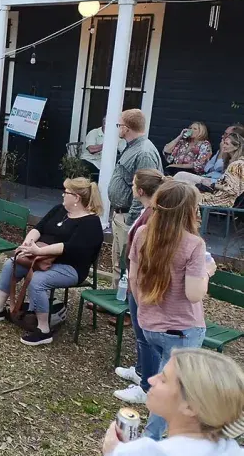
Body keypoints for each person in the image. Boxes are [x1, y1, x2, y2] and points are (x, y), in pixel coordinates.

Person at [0, 177, 104, 346]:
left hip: (70, 267)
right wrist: (27, 245)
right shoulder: (59, 210)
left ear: (76, 198)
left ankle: (44, 330)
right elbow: (38, 228)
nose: (62, 195)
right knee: (11, 264)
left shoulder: (91, 223)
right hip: (41, 258)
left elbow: (68, 247)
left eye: (66, 192)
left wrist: (39, 251)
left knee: (38, 280)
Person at [130, 180, 212, 439]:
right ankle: (150, 441)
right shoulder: (194, 244)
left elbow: (133, 279)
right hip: (182, 330)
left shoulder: (142, 233)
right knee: (172, 390)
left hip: (149, 324)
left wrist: (144, 307)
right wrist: (207, 272)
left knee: (164, 381)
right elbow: (194, 294)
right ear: (189, 210)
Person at [102, 349, 244, 456]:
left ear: (190, 406)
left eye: (163, 380)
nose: (151, 380)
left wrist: (113, 450)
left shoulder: (146, 452)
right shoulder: (232, 450)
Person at [112, 168, 165, 404]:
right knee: (140, 333)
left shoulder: (154, 214)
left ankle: (146, 388)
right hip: (136, 278)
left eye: (134, 184)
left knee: (145, 335)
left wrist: (135, 280)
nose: (131, 187)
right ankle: (141, 370)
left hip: (142, 282)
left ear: (141, 190)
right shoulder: (148, 210)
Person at [108, 109, 163, 275]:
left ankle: (123, 294)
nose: (118, 128)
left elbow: (145, 191)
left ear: (126, 128)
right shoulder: (132, 147)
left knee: (127, 268)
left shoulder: (144, 153)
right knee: (118, 265)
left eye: (119, 125)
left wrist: (131, 222)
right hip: (120, 215)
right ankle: (115, 291)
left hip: (130, 218)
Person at [175, 125, 244, 187]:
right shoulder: (226, 153)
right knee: (181, 180)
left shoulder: (238, 162)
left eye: (226, 134)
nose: (223, 136)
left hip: (215, 182)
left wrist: (221, 151)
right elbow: (207, 167)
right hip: (208, 177)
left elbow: (218, 168)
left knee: (181, 176)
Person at [199, 131, 244, 207]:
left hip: (223, 201)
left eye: (227, 144)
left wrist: (212, 184)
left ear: (236, 147)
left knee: (190, 198)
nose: (223, 146)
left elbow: (233, 190)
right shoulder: (233, 162)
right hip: (220, 197)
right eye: (224, 143)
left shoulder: (236, 165)